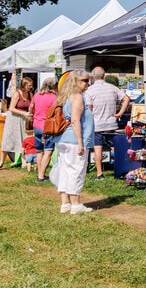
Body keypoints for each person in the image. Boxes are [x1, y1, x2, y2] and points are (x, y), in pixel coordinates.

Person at [49, 69, 95, 215]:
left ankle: (65, 203)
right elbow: (75, 120)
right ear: (76, 81)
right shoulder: (77, 97)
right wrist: (81, 142)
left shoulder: (65, 97)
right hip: (74, 140)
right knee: (76, 170)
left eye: (89, 80)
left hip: (63, 139)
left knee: (64, 171)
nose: (88, 83)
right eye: (85, 81)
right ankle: (75, 204)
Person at [85, 66, 130, 180]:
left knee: (97, 148)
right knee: (116, 147)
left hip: (97, 125)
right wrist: (120, 113)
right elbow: (126, 99)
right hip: (111, 123)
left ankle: (99, 173)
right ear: (104, 75)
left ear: (92, 76)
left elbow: (89, 109)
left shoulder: (90, 90)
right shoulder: (112, 88)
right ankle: (122, 169)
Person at [0, 76, 34, 171]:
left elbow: (30, 107)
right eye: (29, 85)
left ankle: (24, 162)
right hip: (13, 119)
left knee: (24, 140)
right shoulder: (17, 94)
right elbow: (11, 108)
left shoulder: (30, 94)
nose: (31, 87)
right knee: (8, 139)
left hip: (24, 120)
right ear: (24, 85)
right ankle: (1, 162)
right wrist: (24, 113)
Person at [28, 77, 58, 182]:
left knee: (39, 151)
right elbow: (55, 112)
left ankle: (40, 174)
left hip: (36, 125)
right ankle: (41, 176)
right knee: (48, 151)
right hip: (47, 126)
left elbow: (31, 108)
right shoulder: (54, 97)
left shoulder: (36, 95)